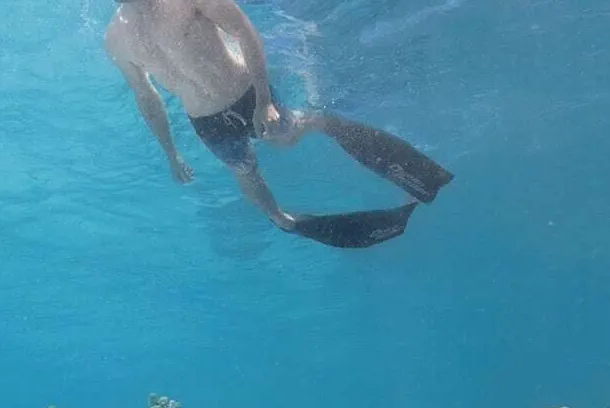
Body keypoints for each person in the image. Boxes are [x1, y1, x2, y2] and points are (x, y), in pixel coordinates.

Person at [105, 0, 454, 248]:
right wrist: (171, 153)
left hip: (246, 95)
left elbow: (244, 31)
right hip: (206, 121)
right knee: (245, 169)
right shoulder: (116, 40)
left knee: (289, 136)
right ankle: (281, 218)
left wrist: (264, 100)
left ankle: (323, 122)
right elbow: (146, 97)